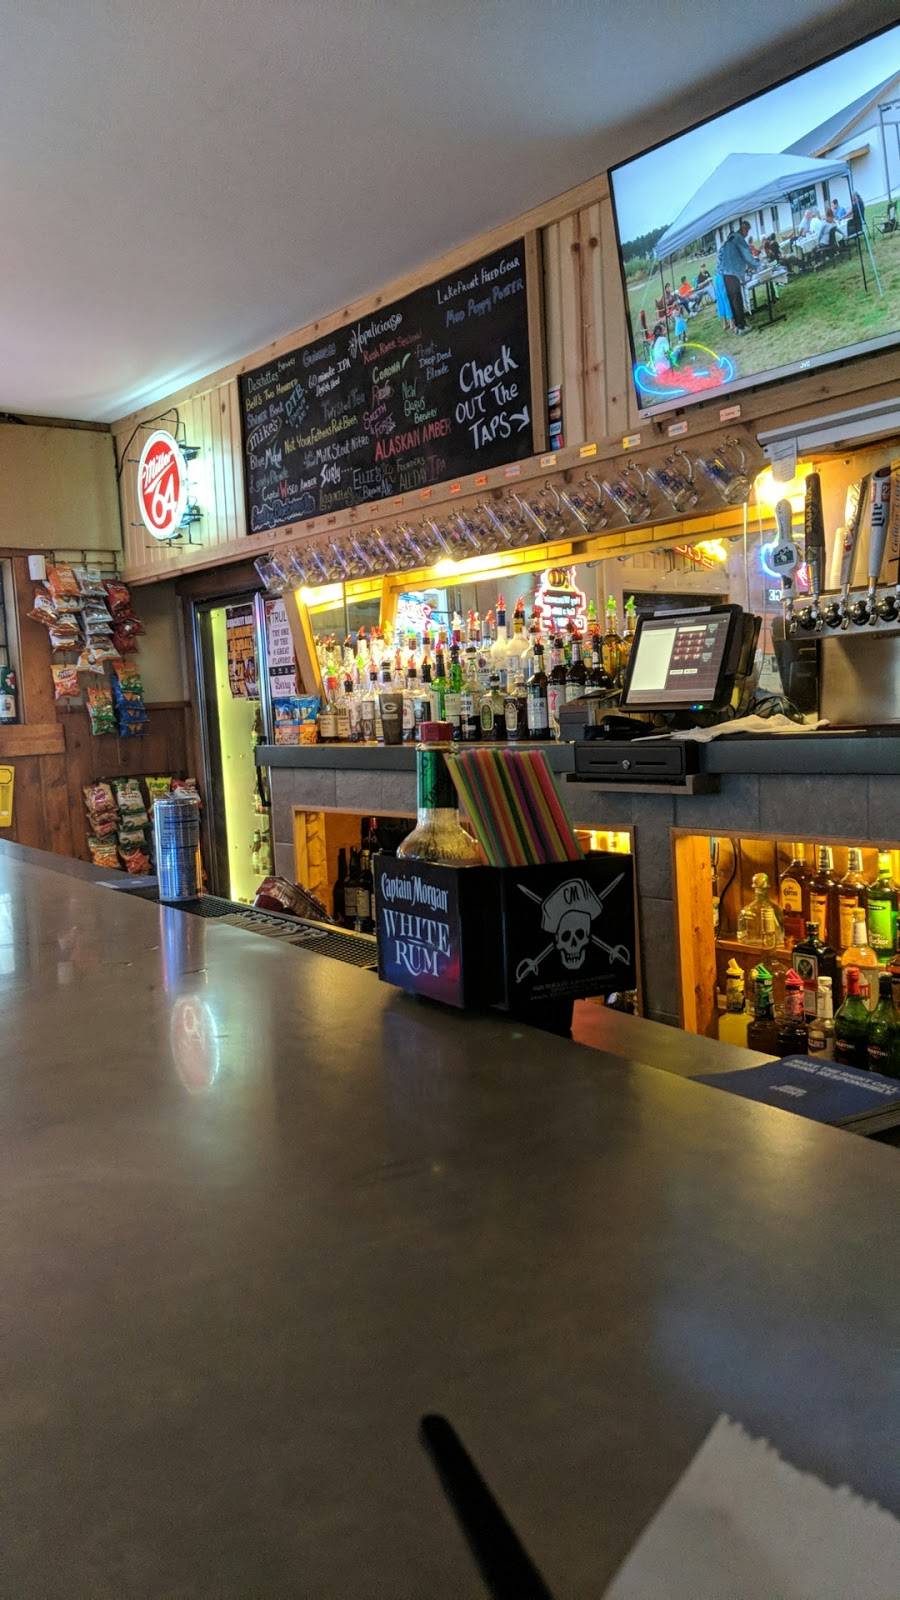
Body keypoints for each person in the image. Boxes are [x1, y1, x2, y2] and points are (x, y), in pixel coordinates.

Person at [716, 220, 755, 334]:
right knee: (737, 300)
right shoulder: (736, 241)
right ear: (743, 229)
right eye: (747, 231)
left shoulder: (726, 244)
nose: (747, 234)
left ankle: (738, 326)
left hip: (723, 276)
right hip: (731, 275)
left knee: (733, 300)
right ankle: (741, 327)